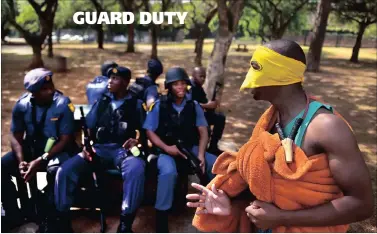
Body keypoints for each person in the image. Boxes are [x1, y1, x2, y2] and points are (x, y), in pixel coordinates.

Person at [186, 40, 373, 232]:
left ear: (279, 75)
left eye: (257, 69)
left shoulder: (327, 127)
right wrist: (230, 204)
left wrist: (282, 218)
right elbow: (267, 183)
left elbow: (362, 204)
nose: (248, 79)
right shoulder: (271, 118)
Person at [54, 67, 146, 233]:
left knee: (136, 168)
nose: (110, 81)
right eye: (109, 77)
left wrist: (137, 141)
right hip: (98, 149)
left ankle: (125, 222)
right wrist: (86, 147)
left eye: (116, 78)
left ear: (125, 82)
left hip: (122, 151)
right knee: (65, 170)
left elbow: (146, 132)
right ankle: (62, 220)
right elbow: (88, 127)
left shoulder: (137, 104)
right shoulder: (101, 102)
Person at [1, 68, 76, 232]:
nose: (49, 91)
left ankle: (49, 217)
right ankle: (13, 213)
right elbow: (15, 136)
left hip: (57, 151)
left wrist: (41, 160)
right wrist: (21, 161)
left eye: (49, 87)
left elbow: (65, 140)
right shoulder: (22, 104)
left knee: (56, 170)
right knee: (2, 166)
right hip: (32, 149)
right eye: (36, 91)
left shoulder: (63, 104)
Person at [143, 67, 217, 232]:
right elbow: (149, 131)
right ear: (169, 86)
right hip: (166, 150)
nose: (181, 87)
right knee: (168, 172)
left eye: (183, 84)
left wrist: (201, 155)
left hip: (190, 148)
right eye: (176, 84)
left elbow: (203, 131)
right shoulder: (159, 105)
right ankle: (161, 218)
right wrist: (166, 148)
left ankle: (217, 212)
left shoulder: (193, 105)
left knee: (216, 165)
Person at [188, 67, 226, 155]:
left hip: (199, 114)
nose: (203, 79)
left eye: (204, 77)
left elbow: (204, 102)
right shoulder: (190, 87)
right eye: (200, 76)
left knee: (220, 118)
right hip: (190, 117)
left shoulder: (198, 87)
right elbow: (189, 105)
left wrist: (212, 104)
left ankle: (213, 146)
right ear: (193, 76)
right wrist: (207, 105)